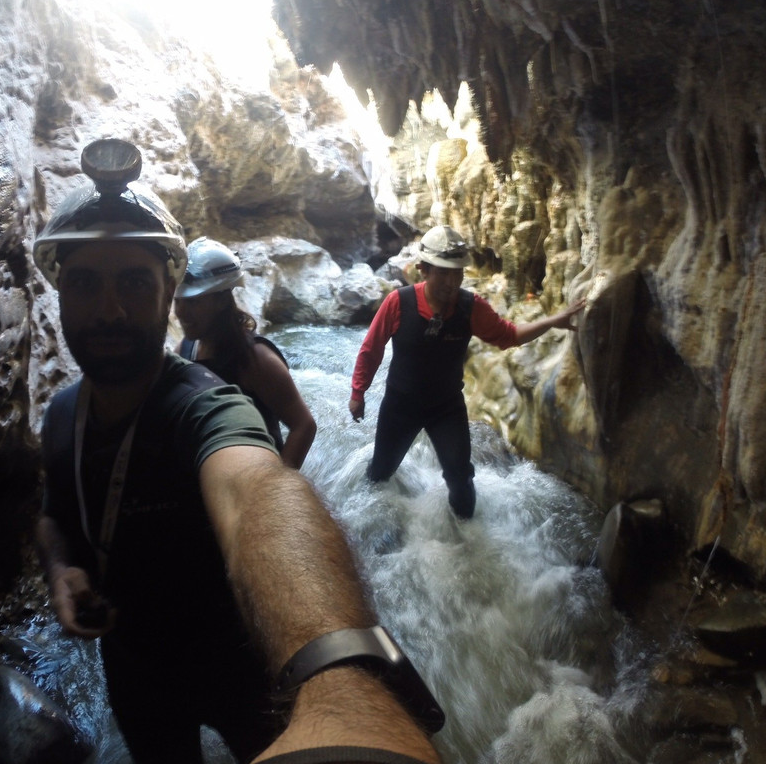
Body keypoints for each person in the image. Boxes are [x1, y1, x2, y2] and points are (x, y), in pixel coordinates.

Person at [33, 138, 444, 764]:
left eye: (134, 284)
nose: (110, 309)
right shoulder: (63, 415)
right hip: (135, 665)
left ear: (168, 294)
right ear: (60, 293)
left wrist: (336, 671)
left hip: (240, 660)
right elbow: (55, 512)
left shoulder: (207, 403)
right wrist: (63, 567)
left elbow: (255, 493)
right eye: (86, 283)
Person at [349, 225, 585, 520]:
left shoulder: (470, 307)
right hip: (401, 405)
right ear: (424, 269)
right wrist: (358, 393)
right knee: (380, 471)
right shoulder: (399, 303)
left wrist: (552, 321)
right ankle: (364, 528)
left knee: (460, 479)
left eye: (457, 273)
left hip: (446, 408)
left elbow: (508, 335)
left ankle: (466, 538)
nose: (452, 281)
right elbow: (372, 349)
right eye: (444, 272)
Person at [174, 236, 317, 470]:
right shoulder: (186, 350)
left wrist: (277, 487)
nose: (181, 312)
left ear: (221, 301)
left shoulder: (256, 359)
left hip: (254, 479)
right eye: (177, 301)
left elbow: (304, 425)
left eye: (193, 302)